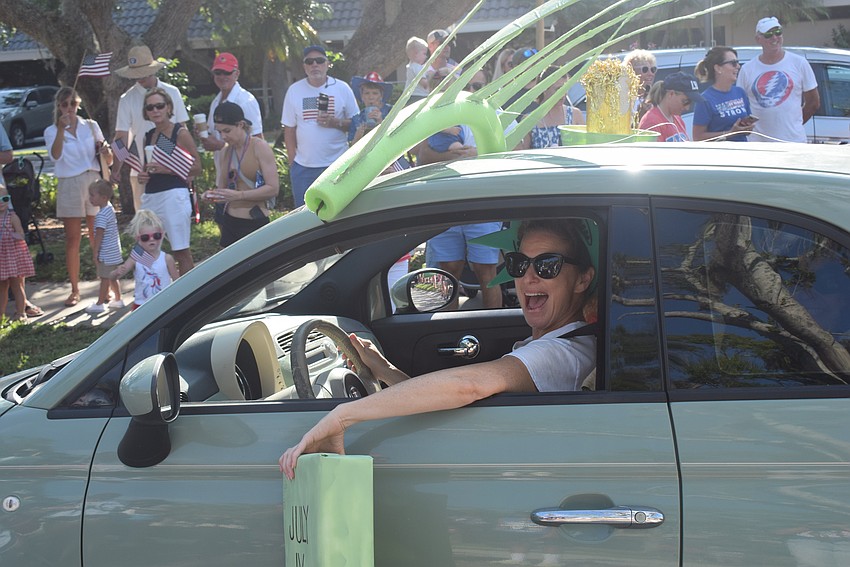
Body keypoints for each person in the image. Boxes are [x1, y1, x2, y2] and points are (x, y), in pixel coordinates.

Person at [279, 218, 597, 476]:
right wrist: (385, 370)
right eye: (518, 264)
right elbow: (446, 404)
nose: (529, 277)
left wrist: (343, 415)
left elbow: (467, 386)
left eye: (547, 265)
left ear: (582, 279)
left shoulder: (560, 354)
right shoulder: (551, 341)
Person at [43, 87, 113, 307]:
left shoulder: (90, 126)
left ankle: (105, 285)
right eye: (65, 104)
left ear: (78, 104)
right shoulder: (51, 130)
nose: (69, 108)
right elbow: (55, 156)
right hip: (69, 182)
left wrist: (105, 151)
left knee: (97, 235)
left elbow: (108, 160)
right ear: (58, 106)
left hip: (93, 179)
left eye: (73, 103)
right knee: (73, 239)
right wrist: (62, 130)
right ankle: (75, 289)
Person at [112, 45, 190, 212]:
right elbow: (121, 138)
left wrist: (186, 165)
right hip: (142, 171)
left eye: (143, 72)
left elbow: (182, 129)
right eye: (136, 74)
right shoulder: (127, 99)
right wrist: (116, 169)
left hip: (173, 166)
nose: (139, 78)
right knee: (147, 225)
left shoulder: (172, 92)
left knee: (175, 220)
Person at [281, 45, 359, 208]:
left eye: (319, 60)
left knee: (341, 210)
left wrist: (335, 122)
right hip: (304, 168)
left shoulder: (342, 88)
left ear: (327, 64)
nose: (314, 65)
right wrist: (292, 161)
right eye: (309, 62)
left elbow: (357, 124)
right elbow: (289, 128)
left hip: (338, 163)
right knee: (304, 216)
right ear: (304, 67)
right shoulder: (294, 90)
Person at [137, 88, 202, 274]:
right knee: (149, 249)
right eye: (150, 107)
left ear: (168, 108)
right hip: (151, 196)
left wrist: (167, 170)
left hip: (173, 195)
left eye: (160, 105)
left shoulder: (178, 133)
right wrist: (144, 175)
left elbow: (197, 166)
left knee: (180, 250)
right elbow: (149, 166)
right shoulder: (150, 135)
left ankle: (190, 296)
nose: (155, 110)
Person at [202, 102, 279, 247]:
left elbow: (273, 188)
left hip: (254, 221)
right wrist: (211, 195)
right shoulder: (226, 152)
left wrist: (239, 195)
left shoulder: (259, 147)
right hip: (230, 222)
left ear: (241, 125)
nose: (223, 136)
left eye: (227, 131)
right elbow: (222, 188)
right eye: (219, 132)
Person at [736, 17, 820, 143]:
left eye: (778, 32)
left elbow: (813, 102)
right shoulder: (747, 69)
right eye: (768, 34)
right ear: (758, 39)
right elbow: (739, 106)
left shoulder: (799, 63)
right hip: (759, 146)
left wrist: (793, 125)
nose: (774, 37)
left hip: (794, 144)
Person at [200, 53, 264, 187]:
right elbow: (216, 135)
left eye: (227, 72)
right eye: (218, 72)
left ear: (236, 74)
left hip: (245, 177)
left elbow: (258, 141)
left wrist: (220, 146)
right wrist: (205, 137)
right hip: (224, 176)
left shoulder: (246, 101)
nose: (222, 77)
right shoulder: (216, 102)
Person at [110, 209, 179, 309]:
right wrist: (116, 272)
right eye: (145, 237)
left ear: (162, 235)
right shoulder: (135, 258)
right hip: (141, 305)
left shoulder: (167, 258)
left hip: (164, 303)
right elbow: (112, 277)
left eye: (156, 236)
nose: (152, 239)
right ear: (138, 238)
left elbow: (177, 282)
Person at [692, 46, 756, 142]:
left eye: (738, 63)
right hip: (721, 155)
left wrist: (746, 128)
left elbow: (746, 128)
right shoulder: (705, 99)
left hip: (743, 153)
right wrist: (729, 133)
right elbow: (697, 137)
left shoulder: (740, 92)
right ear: (718, 68)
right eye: (733, 63)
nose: (738, 66)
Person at [519, 65, 586, 149]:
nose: (563, 94)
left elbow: (585, 148)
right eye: (558, 89)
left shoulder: (575, 115)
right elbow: (522, 155)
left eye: (565, 89)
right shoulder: (529, 120)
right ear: (544, 89)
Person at [84, 179, 124, 314]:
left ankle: (100, 303)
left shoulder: (101, 216)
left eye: (92, 195)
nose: (90, 198)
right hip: (114, 251)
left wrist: (95, 253)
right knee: (112, 277)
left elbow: (99, 236)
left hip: (105, 253)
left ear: (103, 197)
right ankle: (118, 299)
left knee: (104, 279)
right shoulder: (110, 209)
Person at [0, 184, 35, 322]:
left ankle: (21, 313)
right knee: (2, 287)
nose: (2, 202)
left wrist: (16, 235)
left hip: (12, 255)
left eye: (5, 198)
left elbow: (21, 233)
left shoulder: (12, 217)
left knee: (17, 284)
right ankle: (1, 316)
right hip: (1, 257)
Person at [638, 72, 703, 142]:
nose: (687, 108)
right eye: (685, 101)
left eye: (690, 103)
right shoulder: (651, 123)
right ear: (671, 94)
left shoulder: (678, 119)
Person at [349, 72, 394, 145]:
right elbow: (351, 147)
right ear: (362, 96)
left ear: (381, 96)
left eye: (375, 93)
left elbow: (398, 138)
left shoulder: (392, 111)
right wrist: (358, 136)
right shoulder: (357, 119)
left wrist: (381, 122)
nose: (371, 97)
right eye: (367, 93)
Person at [503, 47, 540, 119]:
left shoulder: (548, 90)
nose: (534, 67)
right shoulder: (508, 99)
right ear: (517, 68)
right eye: (531, 64)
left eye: (535, 63)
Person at [624, 49, 657, 123]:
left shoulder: (655, 97)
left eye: (653, 69)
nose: (650, 74)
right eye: (645, 69)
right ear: (631, 71)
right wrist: (640, 114)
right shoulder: (624, 98)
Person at [405, 36, 432, 104]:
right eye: (424, 54)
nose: (426, 56)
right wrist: (431, 76)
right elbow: (424, 84)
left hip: (410, 96)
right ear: (416, 54)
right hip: (418, 97)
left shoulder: (411, 66)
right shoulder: (417, 67)